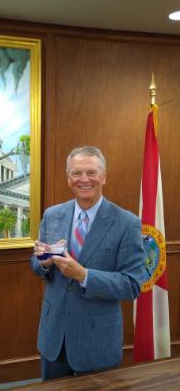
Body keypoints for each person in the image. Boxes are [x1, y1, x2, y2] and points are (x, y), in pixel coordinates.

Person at [30, 146, 146, 381]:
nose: (84, 179)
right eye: (76, 173)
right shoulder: (52, 215)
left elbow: (132, 284)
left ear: (103, 176)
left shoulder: (127, 223)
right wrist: (43, 262)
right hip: (54, 339)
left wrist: (84, 275)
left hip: (96, 342)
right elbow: (36, 265)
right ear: (68, 177)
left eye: (91, 172)